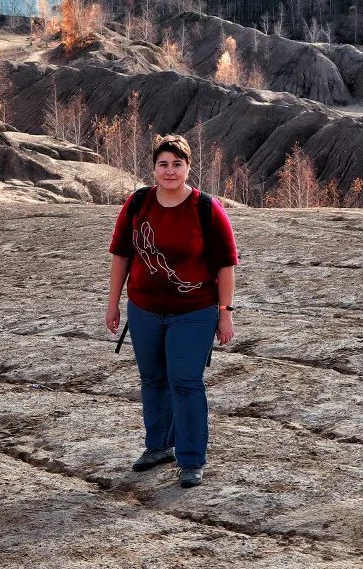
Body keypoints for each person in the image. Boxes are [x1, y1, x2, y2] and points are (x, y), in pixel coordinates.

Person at [107, 133, 238, 488]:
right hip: (144, 311)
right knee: (152, 381)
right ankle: (159, 446)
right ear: (153, 168)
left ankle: (191, 459)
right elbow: (122, 254)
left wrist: (224, 312)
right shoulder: (137, 204)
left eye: (176, 164)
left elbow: (226, 266)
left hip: (193, 313)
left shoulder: (207, 209)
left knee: (186, 382)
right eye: (163, 164)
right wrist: (113, 302)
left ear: (188, 168)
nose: (169, 171)